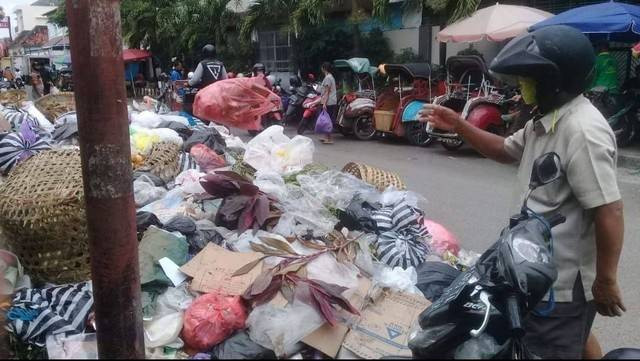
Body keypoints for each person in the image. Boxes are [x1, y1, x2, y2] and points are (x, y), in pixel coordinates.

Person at [419, 25, 625, 359]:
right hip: (532, 272)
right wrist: (459, 124)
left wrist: (605, 280)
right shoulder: (546, 121)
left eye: (529, 80)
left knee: (552, 343)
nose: (522, 87)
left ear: (554, 81)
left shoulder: (583, 131)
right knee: (570, 335)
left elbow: (609, 209)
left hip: (560, 281)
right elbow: (504, 150)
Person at [318, 62, 337, 144]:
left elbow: (327, 91)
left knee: (327, 120)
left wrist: (324, 103)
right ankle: (326, 136)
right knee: (326, 119)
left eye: (322, 68)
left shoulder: (328, 78)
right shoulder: (329, 77)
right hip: (330, 100)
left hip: (329, 101)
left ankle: (329, 138)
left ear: (324, 68)